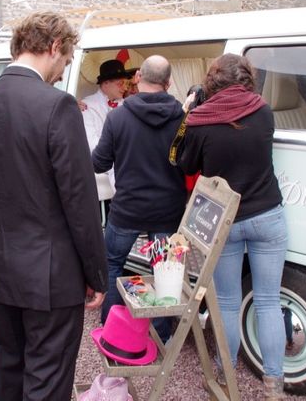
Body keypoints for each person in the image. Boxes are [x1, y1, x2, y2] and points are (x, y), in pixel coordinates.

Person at [0, 11, 108, 401]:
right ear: (55, 46)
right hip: (51, 275)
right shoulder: (57, 107)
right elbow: (80, 201)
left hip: (0, 267)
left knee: (9, 377)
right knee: (47, 382)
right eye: (65, 60)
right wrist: (97, 273)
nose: (62, 72)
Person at [176, 53, 287, 400]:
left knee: (226, 302)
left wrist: (187, 113)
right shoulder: (264, 111)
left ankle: (226, 375)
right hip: (267, 214)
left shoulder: (199, 120)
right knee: (268, 301)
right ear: (247, 78)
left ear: (212, 82)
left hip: (223, 220)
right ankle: (273, 385)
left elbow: (183, 162)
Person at [91, 54, 187, 342]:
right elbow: (189, 162)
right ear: (169, 83)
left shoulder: (117, 117)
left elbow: (99, 163)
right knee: (164, 271)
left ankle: (111, 329)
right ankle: (160, 335)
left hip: (127, 209)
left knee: (112, 264)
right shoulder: (183, 119)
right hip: (167, 210)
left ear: (137, 78)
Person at [81, 59, 134, 204]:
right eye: (120, 83)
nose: (124, 88)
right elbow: (93, 145)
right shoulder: (88, 106)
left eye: (126, 83)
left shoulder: (128, 105)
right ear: (105, 83)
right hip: (104, 164)